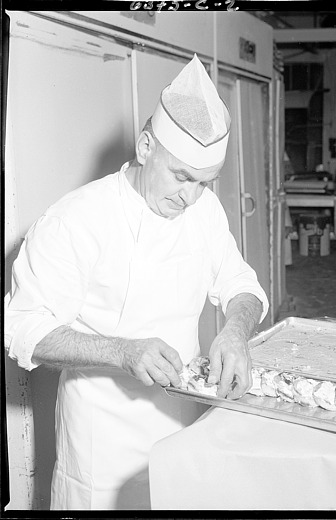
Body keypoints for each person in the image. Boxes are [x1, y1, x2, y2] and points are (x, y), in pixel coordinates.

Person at [4, 55, 269, 510]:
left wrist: (235, 331)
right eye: (182, 176)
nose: (190, 196)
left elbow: (240, 282)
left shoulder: (202, 209)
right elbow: (21, 329)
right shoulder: (76, 220)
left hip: (182, 421)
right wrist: (122, 351)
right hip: (101, 443)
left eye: (206, 182)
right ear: (146, 146)